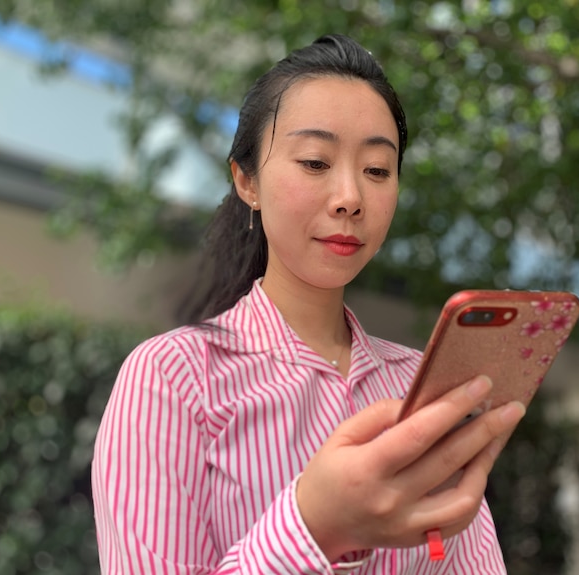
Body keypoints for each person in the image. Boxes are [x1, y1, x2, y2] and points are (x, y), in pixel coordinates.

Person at [91, 33, 525, 574]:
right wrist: (314, 525)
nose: (350, 197)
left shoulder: (421, 385)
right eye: (316, 162)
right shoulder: (174, 378)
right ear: (246, 180)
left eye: (377, 170)